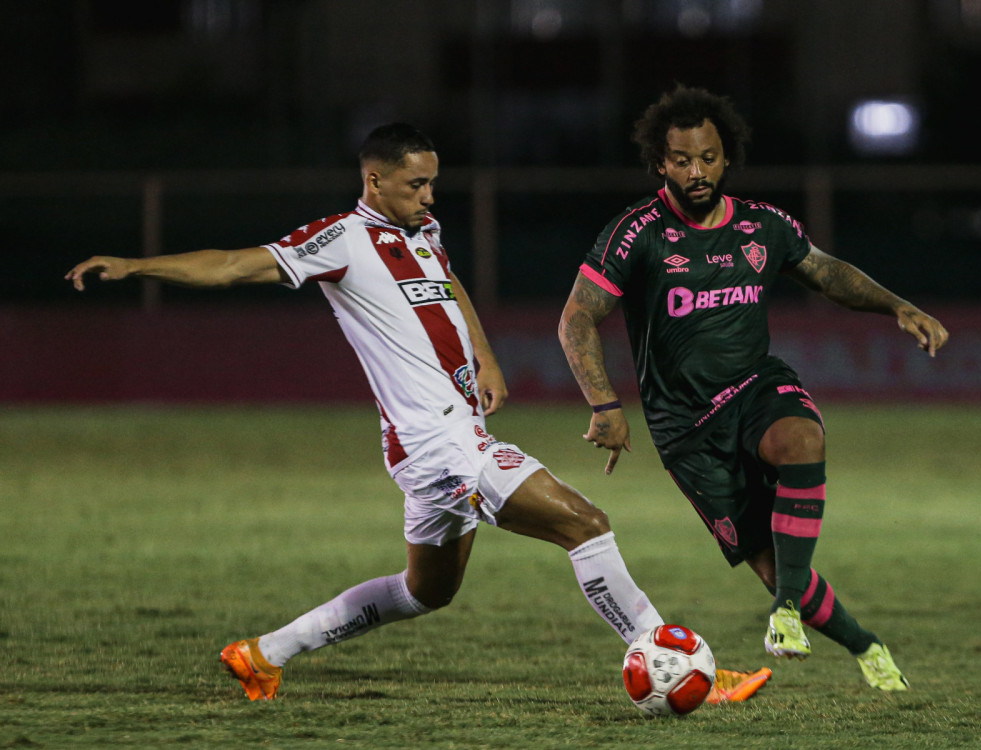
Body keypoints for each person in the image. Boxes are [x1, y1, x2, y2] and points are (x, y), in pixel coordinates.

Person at [65, 122, 769, 704]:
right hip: (437, 442)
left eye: (433, 181)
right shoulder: (341, 239)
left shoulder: (423, 232)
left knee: (426, 592)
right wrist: (134, 266)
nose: (429, 195)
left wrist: (486, 357)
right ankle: (684, 674)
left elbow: (450, 285)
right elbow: (231, 264)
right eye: (416, 183)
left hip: (450, 436)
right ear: (375, 181)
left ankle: (262, 653)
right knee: (585, 524)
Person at [559, 86, 949, 692]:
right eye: (682, 160)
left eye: (709, 158)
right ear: (660, 163)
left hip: (753, 388)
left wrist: (895, 306)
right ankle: (866, 645)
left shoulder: (762, 225)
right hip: (684, 429)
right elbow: (578, 317)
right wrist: (605, 405)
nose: (697, 172)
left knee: (802, 439)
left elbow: (826, 272)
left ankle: (785, 613)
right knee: (772, 562)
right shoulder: (636, 233)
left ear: (726, 157)